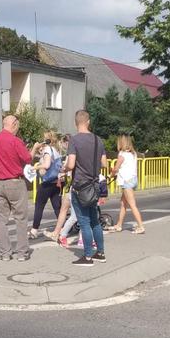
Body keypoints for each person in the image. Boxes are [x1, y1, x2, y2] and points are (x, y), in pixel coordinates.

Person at [65, 110, 107, 266]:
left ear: (76, 123)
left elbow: (70, 164)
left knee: (84, 222)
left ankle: (87, 257)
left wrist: (64, 170)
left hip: (80, 186)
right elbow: (104, 163)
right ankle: (100, 253)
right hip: (95, 185)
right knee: (95, 220)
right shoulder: (98, 140)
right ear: (88, 121)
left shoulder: (74, 141)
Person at [0, 115, 33, 261]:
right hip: (15, 182)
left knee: (1, 220)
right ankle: (22, 253)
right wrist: (34, 149)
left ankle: (5, 253)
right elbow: (27, 159)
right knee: (20, 218)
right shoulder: (15, 141)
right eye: (17, 126)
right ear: (14, 124)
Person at [29, 131, 62, 239]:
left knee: (39, 205)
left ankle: (34, 230)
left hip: (47, 182)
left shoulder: (48, 149)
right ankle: (63, 228)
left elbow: (47, 165)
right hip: (55, 181)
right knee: (57, 206)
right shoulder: (56, 150)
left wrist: (35, 167)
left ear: (47, 139)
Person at [109, 133, 145, 234]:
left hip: (126, 181)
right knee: (123, 203)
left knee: (132, 204)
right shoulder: (133, 154)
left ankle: (141, 226)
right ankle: (119, 225)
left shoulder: (122, 155)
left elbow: (116, 168)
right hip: (133, 179)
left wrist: (111, 175)